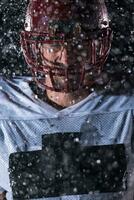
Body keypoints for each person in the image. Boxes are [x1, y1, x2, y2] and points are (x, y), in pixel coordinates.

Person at [0, 0, 134, 199]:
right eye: (54, 47)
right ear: (37, 49)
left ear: (97, 47)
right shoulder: (5, 104)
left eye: (78, 45)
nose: (66, 59)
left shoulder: (127, 106)